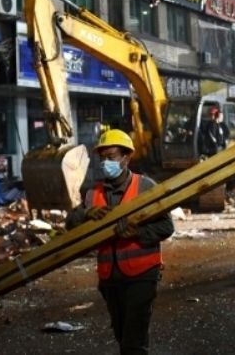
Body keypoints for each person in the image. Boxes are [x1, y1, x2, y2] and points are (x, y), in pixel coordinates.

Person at [66, 129, 174, 355]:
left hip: (142, 275)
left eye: (111, 156)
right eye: (102, 157)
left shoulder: (145, 187)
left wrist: (138, 233)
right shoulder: (93, 192)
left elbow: (166, 226)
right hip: (110, 278)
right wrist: (87, 214)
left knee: (133, 341)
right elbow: (70, 224)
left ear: (127, 157)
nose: (106, 162)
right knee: (121, 333)